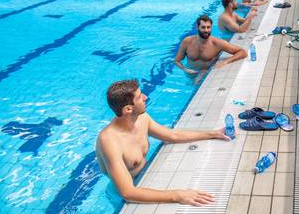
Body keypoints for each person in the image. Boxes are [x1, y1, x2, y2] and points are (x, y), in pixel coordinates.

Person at [96, 79, 230, 206]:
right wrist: (177, 196)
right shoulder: (109, 141)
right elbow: (127, 193)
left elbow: (173, 135)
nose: (145, 97)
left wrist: (212, 134)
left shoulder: (142, 118)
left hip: (145, 178)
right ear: (128, 109)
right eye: (139, 97)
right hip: (121, 196)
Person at [175, 15, 247, 75]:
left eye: (208, 27)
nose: (206, 30)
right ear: (197, 27)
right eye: (203, 27)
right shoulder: (187, 41)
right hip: (190, 73)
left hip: (206, 74)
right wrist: (185, 69)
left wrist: (225, 62)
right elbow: (177, 61)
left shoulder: (218, 43)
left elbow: (243, 52)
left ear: (211, 27)